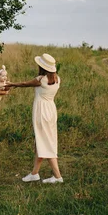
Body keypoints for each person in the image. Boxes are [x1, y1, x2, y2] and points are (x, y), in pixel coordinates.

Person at [9, 53, 63, 184]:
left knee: (46, 142)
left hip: (42, 112)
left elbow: (24, 83)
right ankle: (34, 173)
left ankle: (57, 176)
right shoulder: (58, 79)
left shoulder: (41, 79)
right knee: (42, 140)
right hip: (51, 110)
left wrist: (11, 84)